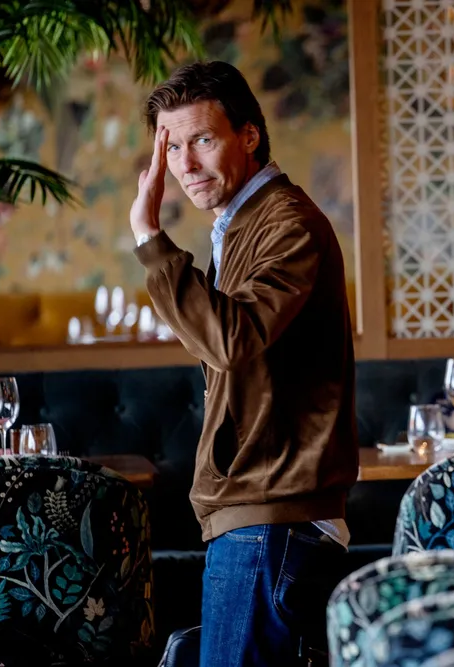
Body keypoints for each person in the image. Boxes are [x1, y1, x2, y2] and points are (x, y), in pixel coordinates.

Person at [128, 60, 358, 666]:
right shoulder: (240, 225)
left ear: (249, 135)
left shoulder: (287, 223)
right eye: (172, 147)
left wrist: (148, 234)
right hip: (259, 512)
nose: (185, 164)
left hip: (273, 514)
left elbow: (232, 339)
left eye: (202, 139)